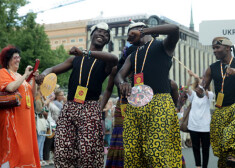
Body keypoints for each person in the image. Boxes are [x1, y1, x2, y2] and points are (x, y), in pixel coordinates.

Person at [36, 22, 118, 168]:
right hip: (70, 106)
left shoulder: (106, 61)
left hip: (90, 107)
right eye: (99, 31)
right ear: (92, 35)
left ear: (107, 40)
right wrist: (43, 74)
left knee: (88, 152)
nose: (102, 35)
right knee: (62, 150)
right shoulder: (75, 58)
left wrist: (99, 109)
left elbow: (114, 59)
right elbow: (52, 68)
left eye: (106, 34)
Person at [114, 22, 182, 167]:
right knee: (133, 154)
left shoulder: (163, 46)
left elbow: (174, 29)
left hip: (159, 103)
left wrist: (145, 31)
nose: (129, 37)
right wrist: (122, 83)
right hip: (136, 105)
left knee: (156, 153)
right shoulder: (132, 56)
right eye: (128, 35)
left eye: (132, 33)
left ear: (141, 30)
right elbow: (119, 75)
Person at [0, 45, 40, 168]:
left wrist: (34, 79)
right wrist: (25, 75)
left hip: (26, 118)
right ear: (8, 60)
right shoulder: (3, 72)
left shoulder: (19, 76)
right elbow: (10, 88)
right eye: (15, 57)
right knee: (15, 149)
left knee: (27, 150)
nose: (18, 60)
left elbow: (32, 95)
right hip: (12, 117)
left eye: (19, 57)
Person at [202, 37, 235, 168]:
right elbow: (202, 86)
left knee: (229, 135)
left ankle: (232, 154)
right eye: (213, 48)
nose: (214, 51)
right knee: (221, 149)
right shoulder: (212, 68)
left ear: (228, 48)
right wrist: (199, 89)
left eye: (217, 48)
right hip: (221, 110)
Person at [185, 70, 214, 168]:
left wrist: (198, 78)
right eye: (198, 84)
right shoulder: (193, 95)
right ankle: (198, 166)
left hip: (205, 127)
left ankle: (204, 166)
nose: (199, 86)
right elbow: (185, 89)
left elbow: (204, 88)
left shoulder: (209, 94)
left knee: (205, 149)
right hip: (193, 125)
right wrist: (190, 76)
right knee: (196, 148)